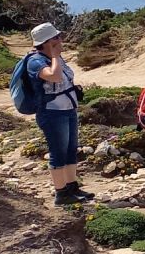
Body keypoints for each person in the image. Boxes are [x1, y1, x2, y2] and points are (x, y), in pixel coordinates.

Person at [25, 23, 94, 207]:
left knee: (71, 150)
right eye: (56, 38)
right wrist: (55, 56)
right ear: (47, 42)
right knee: (58, 152)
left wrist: (56, 56)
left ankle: (72, 187)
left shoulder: (57, 57)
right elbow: (54, 77)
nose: (60, 40)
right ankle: (61, 193)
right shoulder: (36, 61)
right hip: (52, 113)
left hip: (68, 110)